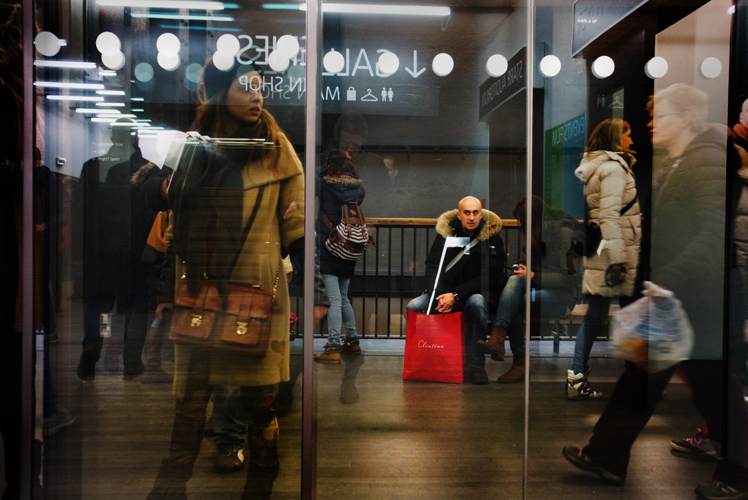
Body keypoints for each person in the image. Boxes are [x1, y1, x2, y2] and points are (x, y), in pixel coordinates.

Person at [145, 61, 328, 500]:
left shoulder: (277, 151)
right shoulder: (196, 149)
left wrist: (317, 290)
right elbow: (176, 227)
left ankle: (259, 488)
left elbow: (300, 229)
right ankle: (170, 488)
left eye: (260, 89)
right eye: (246, 88)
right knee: (189, 402)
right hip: (198, 291)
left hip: (256, 293)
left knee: (259, 404)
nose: (257, 97)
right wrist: (166, 290)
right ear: (220, 93)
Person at [563, 83, 748, 499]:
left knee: (715, 390)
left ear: (684, 119)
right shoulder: (684, 161)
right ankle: (605, 456)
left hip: (703, 303)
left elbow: (711, 235)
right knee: (641, 378)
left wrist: (667, 278)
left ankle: (739, 472)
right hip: (681, 299)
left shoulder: (706, 161)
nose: (650, 123)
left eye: (659, 115)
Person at [74, 119, 157, 381]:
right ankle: (131, 364)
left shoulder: (92, 168)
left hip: (102, 249)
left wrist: (80, 250)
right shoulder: (148, 171)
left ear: (112, 139)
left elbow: (81, 213)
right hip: (137, 249)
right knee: (136, 305)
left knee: (99, 303)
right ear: (136, 140)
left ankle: (90, 346)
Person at [565, 118, 641, 399]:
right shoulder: (613, 168)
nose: (632, 140)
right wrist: (620, 259)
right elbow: (608, 215)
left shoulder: (602, 166)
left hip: (606, 249)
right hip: (613, 252)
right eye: (628, 134)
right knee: (620, 314)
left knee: (598, 315)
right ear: (615, 138)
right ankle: (633, 382)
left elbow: (610, 211)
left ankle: (578, 375)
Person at [477, 196, 580, 383]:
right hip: (539, 292)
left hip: (561, 297)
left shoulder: (565, 234)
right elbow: (531, 264)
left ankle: (511, 354)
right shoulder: (540, 234)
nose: (521, 226)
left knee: (516, 302)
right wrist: (522, 267)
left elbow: (569, 278)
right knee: (515, 283)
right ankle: (499, 341)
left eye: (523, 221)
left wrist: (532, 275)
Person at [406, 196, 505, 385]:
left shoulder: (491, 238)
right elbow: (433, 266)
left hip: (474, 293)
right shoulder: (446, 234)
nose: (471, 217)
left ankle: (476, 364)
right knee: (414, 306)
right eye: (467, 213)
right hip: (444, 292)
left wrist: (456, 294)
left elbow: (488, 276)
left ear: (481, 214)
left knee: (477, 303)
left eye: (475, 213)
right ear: (459, 215)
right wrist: (440, 295)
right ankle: (431, 358)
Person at [314, 150, 365, 363]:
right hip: (349, 245)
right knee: (343, 297)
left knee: (334, 299)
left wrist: (323, 166)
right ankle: (352, 341)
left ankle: (333, 346)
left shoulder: (324, 184)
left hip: (329, 244)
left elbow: (314, 179)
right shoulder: (358, 188)